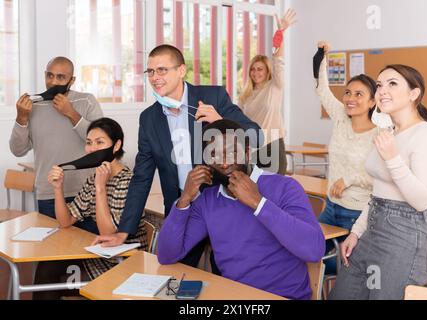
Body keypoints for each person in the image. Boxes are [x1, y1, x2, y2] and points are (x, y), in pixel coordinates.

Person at [91, 45, 261, 274]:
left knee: (225, 273)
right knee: (174, 273)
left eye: (162, 70)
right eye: (150, 72)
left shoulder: (213, 97)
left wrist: (220, 120)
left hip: (222, 204)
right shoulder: (150, 118)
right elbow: (142, 177)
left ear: (181, 70)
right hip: (182, 206)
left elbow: (255, 134)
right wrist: (124, 231)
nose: (155, 78)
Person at [157, 119, 325, 300]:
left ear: (246, 153)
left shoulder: (285, 187)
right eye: (213, 154)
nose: (223, 163)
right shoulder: (208, 200)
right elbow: (167, 255)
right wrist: (185, 199)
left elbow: (314, 250)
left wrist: (257, 202)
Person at [330, 65, 427, 300]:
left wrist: (393, 159)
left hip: (405, 237)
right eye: (380, 84)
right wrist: (356, 232)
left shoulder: (425, 135)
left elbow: (422, 201)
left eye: (392, 83)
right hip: (372, 229)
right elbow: (378, 194)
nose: (382, 90)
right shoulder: (389, 132)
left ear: (414, 93)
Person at [33, 117, 148, 300]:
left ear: (116, 146)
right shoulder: (94, 177)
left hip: (120, 263)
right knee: (48, 267)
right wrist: (57, 187)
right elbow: (66, 221)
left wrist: (100, 188)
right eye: (89, 143)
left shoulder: (128, 182)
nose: (92, 148)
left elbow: (109, 234)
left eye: (99, 142)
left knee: (48, 278)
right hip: (97, 255)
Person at [9, 56, 103, 233]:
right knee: (52, 253)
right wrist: (21, 117)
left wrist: (71, 113)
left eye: (61, 77)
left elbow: (101, 143)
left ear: (72, 80)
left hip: (86, 193)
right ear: (45, 75)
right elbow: (17, 150)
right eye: (50, 76)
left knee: (88, 253)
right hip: (48, 194)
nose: (53, 82)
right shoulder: (33, 107)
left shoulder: (87, 101)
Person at [314, 42, 377, 274]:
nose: (350, 98)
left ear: (373, 102)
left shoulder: (380, 135)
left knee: (348, 270)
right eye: (348, 93)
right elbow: (322, 89)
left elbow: (382, 178)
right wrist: (323, 56)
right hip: (331, 206)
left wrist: (349, 179)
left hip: (357, 212)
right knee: (313, 258)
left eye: (359, 94)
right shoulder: (341, 118)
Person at [238, 9, 296, 175]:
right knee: (254, 193)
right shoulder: (245, 95)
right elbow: (239, 121)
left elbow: (279, 61)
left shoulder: (274, 86)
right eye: (253, 69)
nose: (256, 73)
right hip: (252, 149)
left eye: (260, 69)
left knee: (274, 192)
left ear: (267, 71)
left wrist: (281, 33)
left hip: (273, 146)